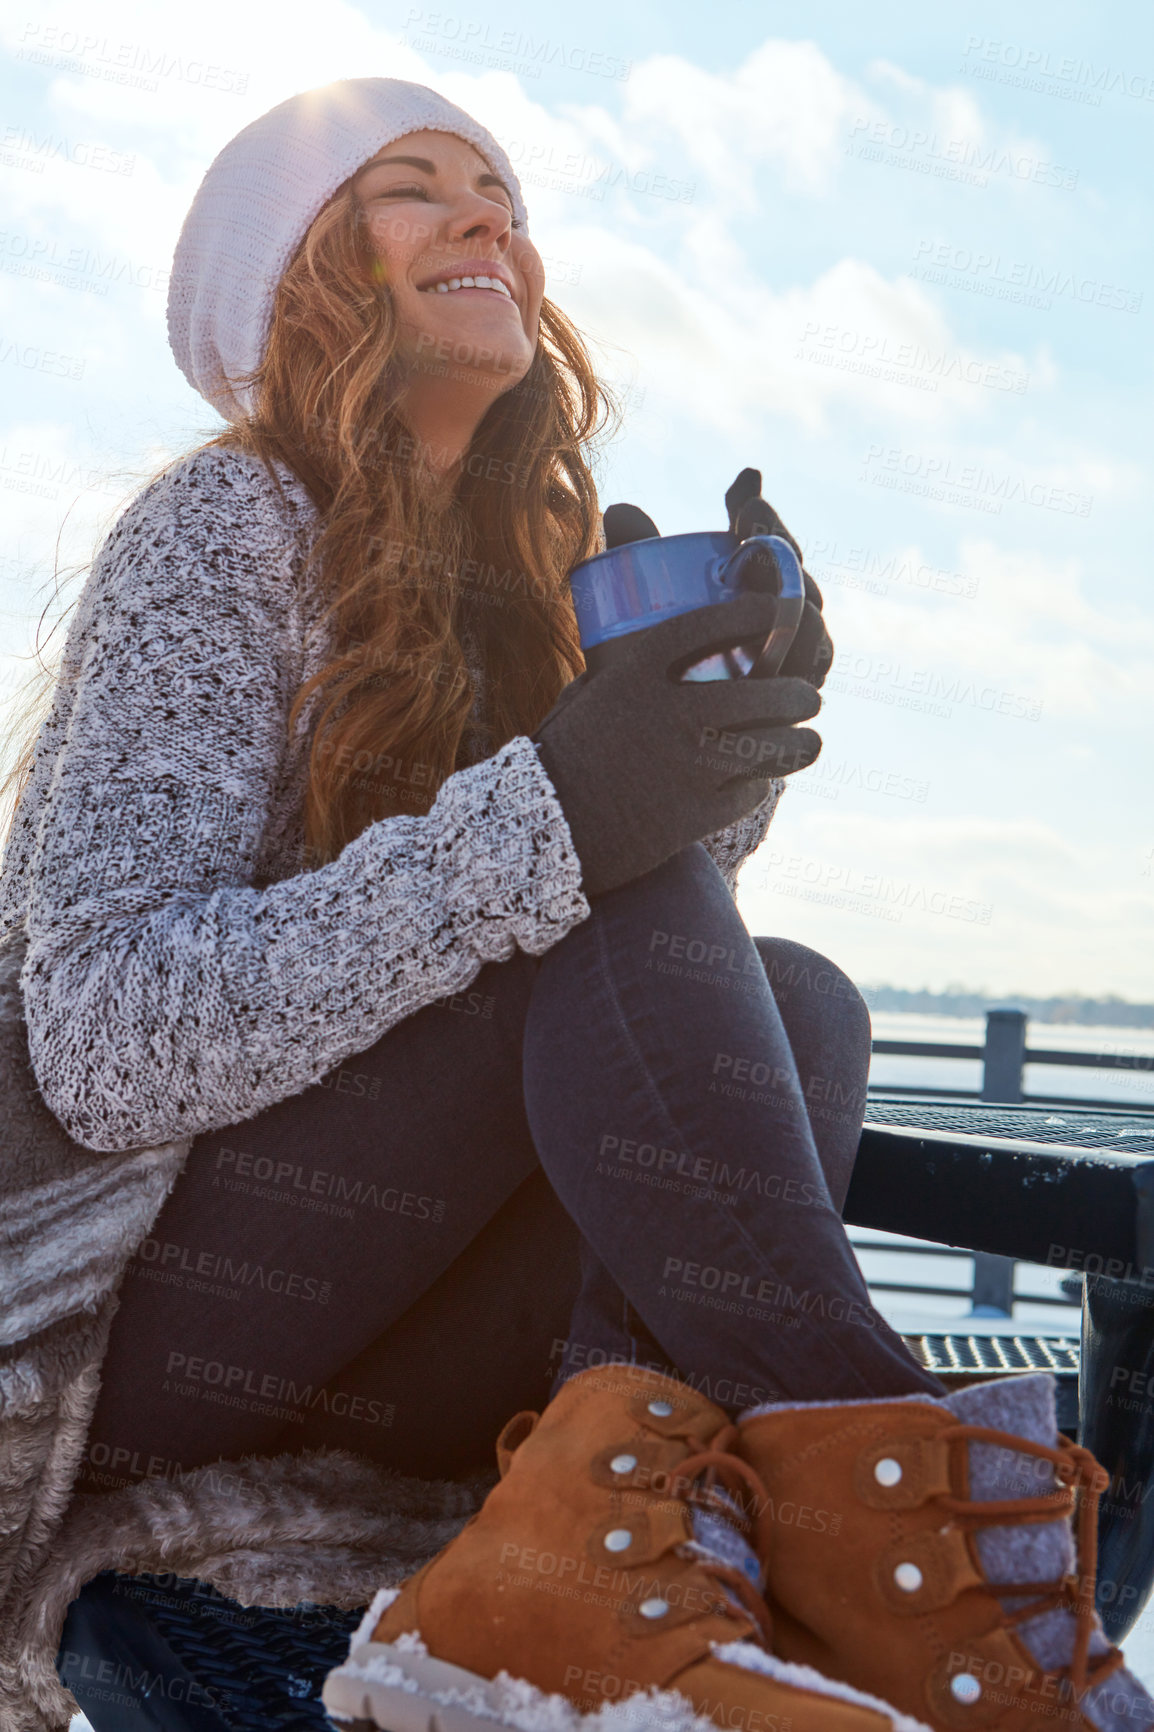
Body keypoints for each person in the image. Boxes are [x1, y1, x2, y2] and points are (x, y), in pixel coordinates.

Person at [1, 75, 1147, 1732]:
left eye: (505, 195)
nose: (491, 219)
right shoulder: (225, 527)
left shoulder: (530, 573)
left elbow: (612, 985)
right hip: (139, 1351)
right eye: (414, 187)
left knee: (802, 994)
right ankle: (931, 1547)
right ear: (301, 269)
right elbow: (104, 1043)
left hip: (402, 1337)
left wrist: (713, 758)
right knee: (624, 891)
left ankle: (597, 1538)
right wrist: (568, 806)